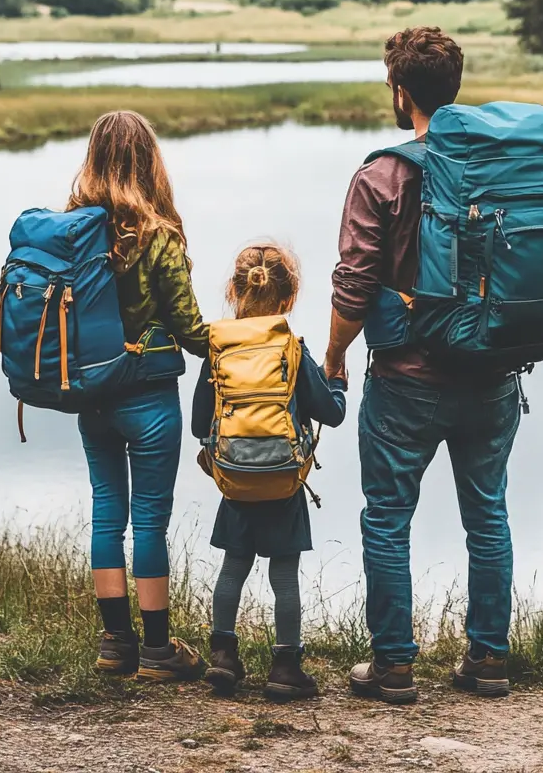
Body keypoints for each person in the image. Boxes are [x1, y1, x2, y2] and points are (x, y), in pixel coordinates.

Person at [325, 27, 523, 704]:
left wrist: (332, 356)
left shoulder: (382, 173)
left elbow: (354, 286)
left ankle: (394, 666)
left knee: (386, 518)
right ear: (455, 87)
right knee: (488, 515)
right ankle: (489, 660)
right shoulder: (500, 165)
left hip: (406, 379)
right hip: (494, 373)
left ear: (400, 91)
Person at [68, 111, 209, 682]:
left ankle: (114, 645)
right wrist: (241, 340)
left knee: (108, 513)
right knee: (150, 521)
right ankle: (157, 650)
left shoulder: (74, 232)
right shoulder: (159, 237)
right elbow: (189, 325)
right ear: (151, 162)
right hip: (148, 399)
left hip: (92, 398)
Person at [191, 244, 347, 699]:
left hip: (235, 480)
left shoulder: (217, 349)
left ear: (234, 291)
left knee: (233, 566)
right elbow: (331, 414)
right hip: (282, 482)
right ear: (288, 300)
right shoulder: (292, 349)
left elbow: (202, 424)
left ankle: (223, 657)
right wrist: (336, 381)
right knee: (284, 574)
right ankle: (285, 667)